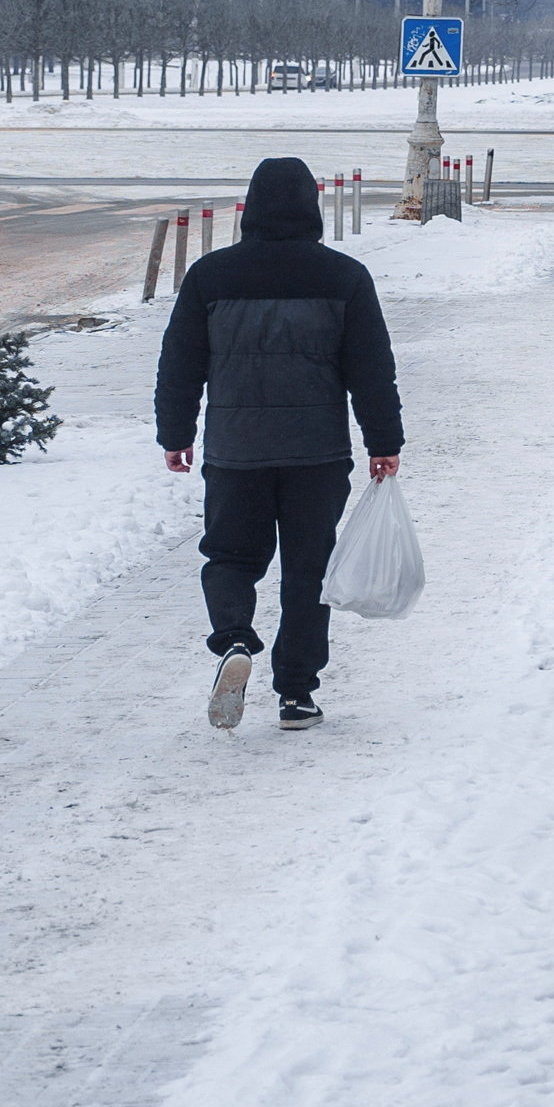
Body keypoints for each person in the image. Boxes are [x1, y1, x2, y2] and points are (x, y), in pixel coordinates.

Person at [155, 156, 404, 730]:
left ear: (252, 207)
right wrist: (383, 441)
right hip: (317, 454)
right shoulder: (344, 276)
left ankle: (234, 640)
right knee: (309, 570)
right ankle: (296, 694)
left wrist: (176, 433)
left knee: (230, 557)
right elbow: (371, 368)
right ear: (311, 207)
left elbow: (180, 363)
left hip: (235, 451)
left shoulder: (211, 276)